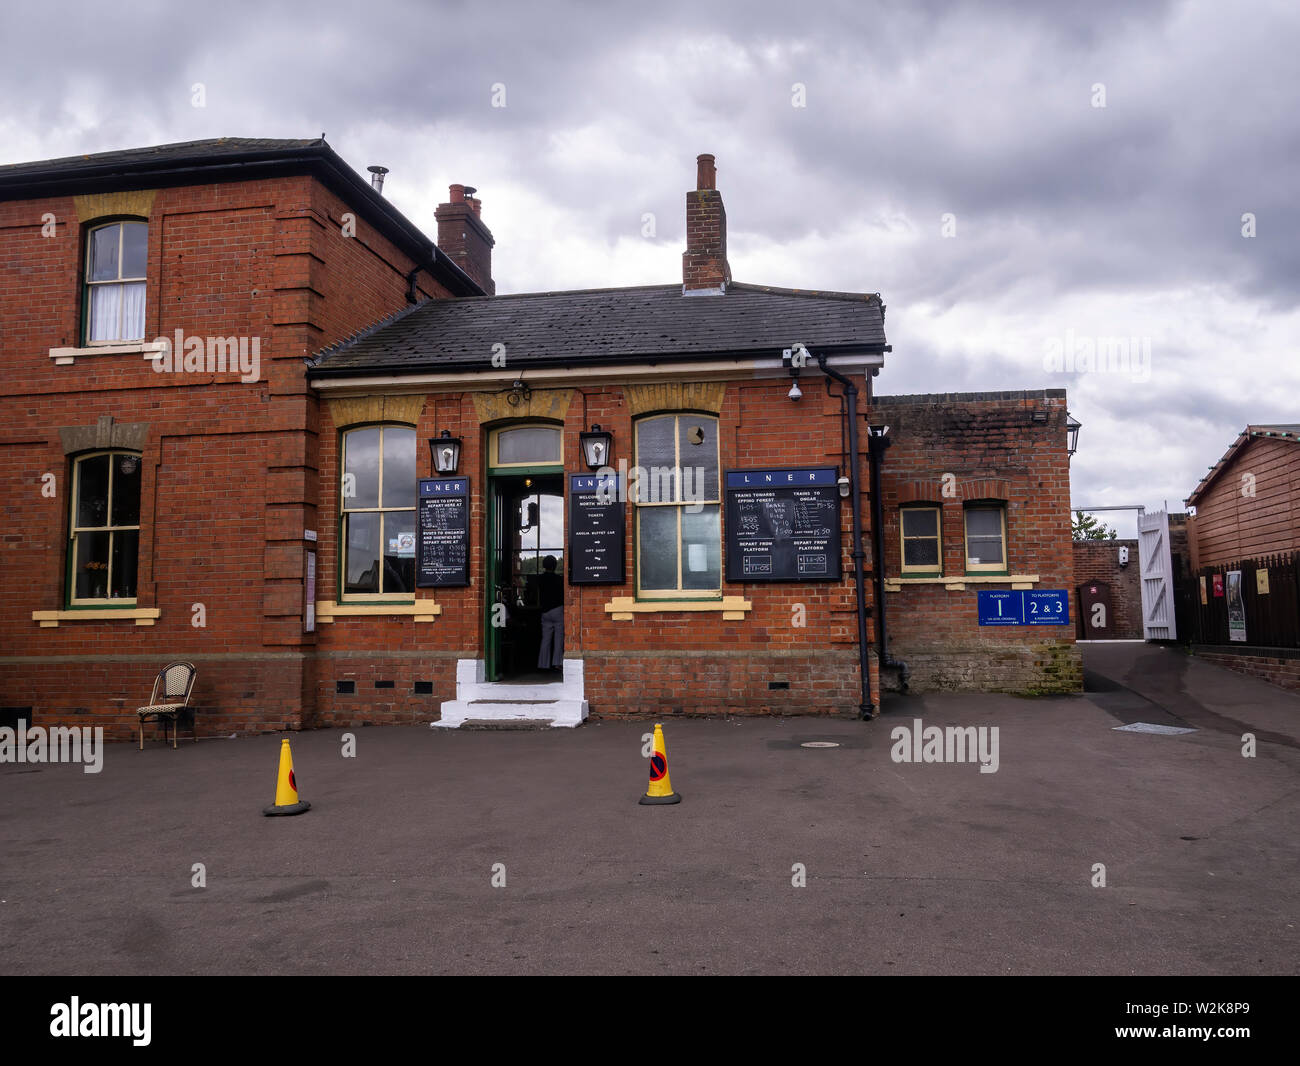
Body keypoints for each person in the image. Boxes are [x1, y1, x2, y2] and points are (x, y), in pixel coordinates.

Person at [535, 555, 564, 672]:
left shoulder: (539, 579)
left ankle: (543, 664)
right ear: (555, 566)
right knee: (558, 638)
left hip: (545, 611)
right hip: (558, 609)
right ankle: (557, 663)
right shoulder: (559, 579)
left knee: (545, 639)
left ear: (544, 566)